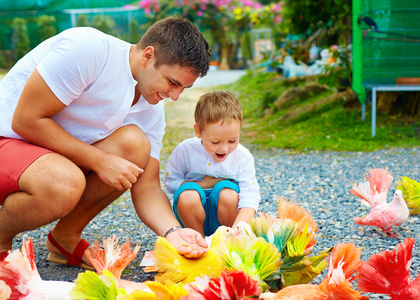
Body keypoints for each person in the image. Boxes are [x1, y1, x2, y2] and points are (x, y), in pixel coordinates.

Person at [0, 16, 212, 268]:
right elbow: (25, 121)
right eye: (172, 83)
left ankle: (64, 238)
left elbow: (147, 187)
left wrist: (173, 232)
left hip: (50, 159)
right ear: (148, 56)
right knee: (64, 182)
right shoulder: (89, 50)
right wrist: (99, 161)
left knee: (135, 145)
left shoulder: (151, 108)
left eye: (183, 89)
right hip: (9, 139)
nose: (175, 96)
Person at [163, 91, 261, 237]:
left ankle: (228, 238)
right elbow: (170, 182)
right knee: (188, 193)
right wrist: (202, 185)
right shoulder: (185, 150)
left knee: (228, 193)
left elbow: (250, 194)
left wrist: (239, 227)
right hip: (191, 215)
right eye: (215, 142)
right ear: (198, 131)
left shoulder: (242, 156)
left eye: (232, 140)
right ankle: (197, 240)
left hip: (226, 218)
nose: (224, 148)